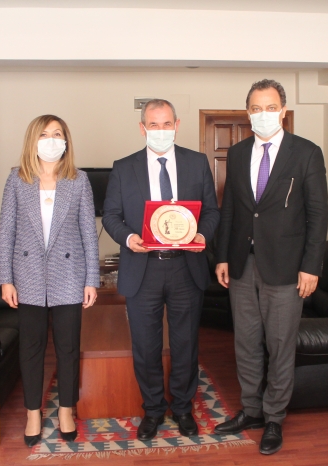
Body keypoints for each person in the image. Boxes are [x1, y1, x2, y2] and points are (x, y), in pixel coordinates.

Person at [214, 79, 328, 455]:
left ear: (283, 111)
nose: (262, 114)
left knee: (280, 346)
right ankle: (252, 411)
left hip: (286, 267)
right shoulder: (237, 153)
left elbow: (318, 214)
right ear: (247, 112)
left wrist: (311, 266)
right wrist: (222, 256)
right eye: (256, 108)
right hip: (242, 264)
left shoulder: (306, 153)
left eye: (270, 107)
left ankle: (275, 416)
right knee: (246, 342)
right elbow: (230, 209)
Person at [102, 99, 220, 441]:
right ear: (142, 128)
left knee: (186, 344)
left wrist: (201, 235)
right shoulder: (124, 168)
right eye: (153, 125)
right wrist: (129, 238)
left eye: (166, 124)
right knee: (146, 347)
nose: (161, 130)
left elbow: (212, 212)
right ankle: (153, 410)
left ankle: (183, 408)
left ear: (177, 125)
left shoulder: (196, 163)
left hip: (186, 268)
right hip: (143, 269)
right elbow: (111, 215)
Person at [0, 114, 99, 447]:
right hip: (27, 275)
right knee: (31, 349)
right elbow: (6, 233)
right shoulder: (16, 179)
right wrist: (5, 279)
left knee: (68, 348)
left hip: (69, 275)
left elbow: (89, 233)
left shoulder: (79, 180)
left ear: (66, 141)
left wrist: (92, 279)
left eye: (57, 133)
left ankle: (66, 410)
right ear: (33, 140)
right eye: (44, 134)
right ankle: (32, 413)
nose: (51, 140)